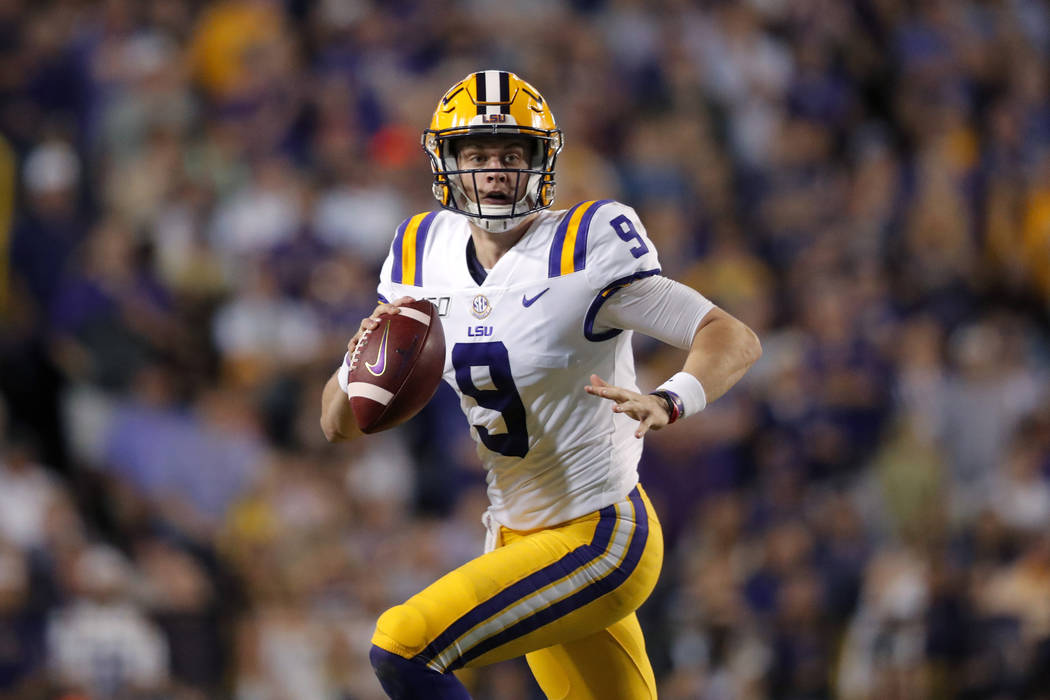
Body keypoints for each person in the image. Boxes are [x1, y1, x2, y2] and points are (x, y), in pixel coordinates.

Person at [320, 70, 761, 699]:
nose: (495, 170)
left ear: (541, 163)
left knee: (403, 644)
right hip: (514, 536)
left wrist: (672, 398)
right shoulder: (422, 252)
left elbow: (730, 335)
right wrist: (361, 358)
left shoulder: (585, 246)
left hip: (601, 535)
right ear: (446, 164)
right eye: (477, 155)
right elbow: (334, 425)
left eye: (510, 153)